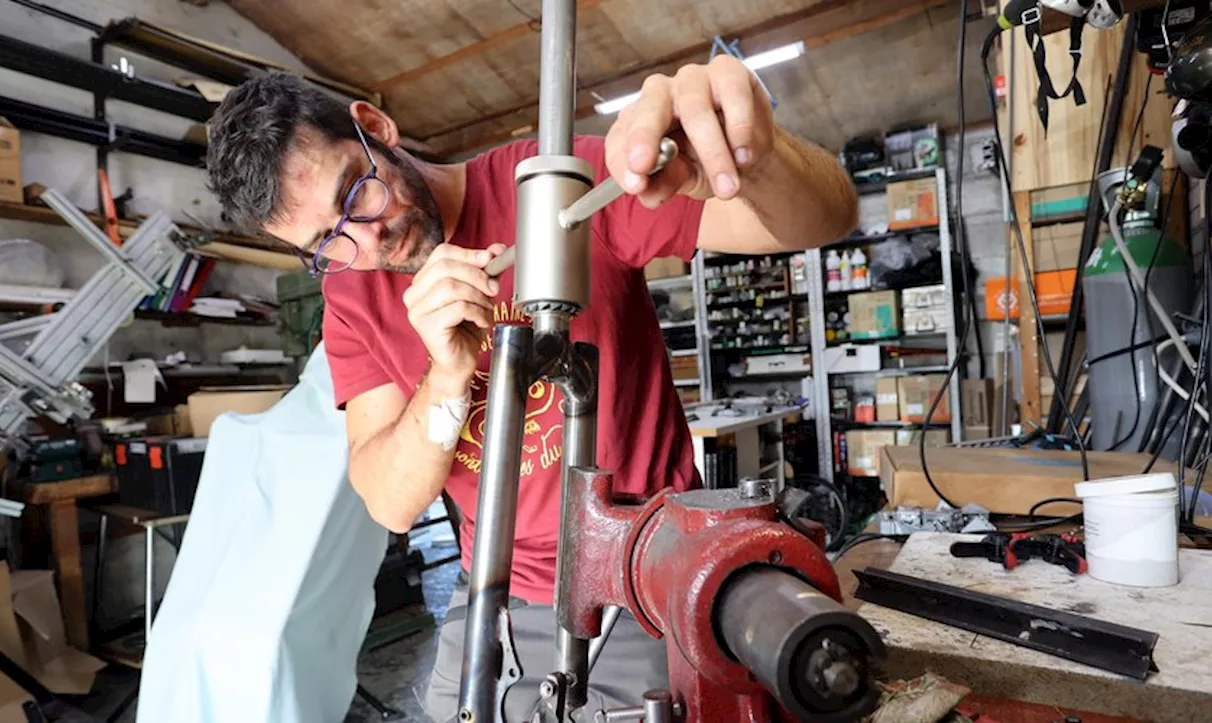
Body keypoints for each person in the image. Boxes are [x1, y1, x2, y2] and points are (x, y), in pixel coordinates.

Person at [205, 56, 857, 720]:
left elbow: (825, 217)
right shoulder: (351, 293)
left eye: (355, 192)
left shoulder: (559, 187)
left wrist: (758, 155)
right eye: (326, 240)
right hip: (498, 586)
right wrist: (447, 372)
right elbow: (389, 500)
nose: (367, 238)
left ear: (375, 127)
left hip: (643, 564)